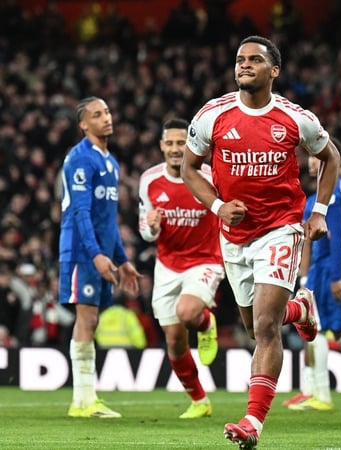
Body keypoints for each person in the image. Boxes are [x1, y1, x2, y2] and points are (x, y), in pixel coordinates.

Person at [181, 35, 341, 449]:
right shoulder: (212, 115)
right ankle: (301, 308)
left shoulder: (295, 118)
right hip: (233, 235)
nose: (245, 65)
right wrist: (217, 206)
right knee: (254, 327)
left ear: (275, 71)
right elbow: (189, 169)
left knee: (267, 327)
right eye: (240, 59)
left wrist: (318, 211)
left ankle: (253, 421)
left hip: (281, 228)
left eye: (255, 60)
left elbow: (331, 156)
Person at [60, 96, 142, 418]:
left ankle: (84, 400)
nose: (106, 118)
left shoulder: (111, 160)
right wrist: (94, 254)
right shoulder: (80, 159)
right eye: (96, 115)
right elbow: (80, 211)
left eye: (107, 111)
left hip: (100, 251)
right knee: (87, 318)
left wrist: (122, 259)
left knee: (90, 319)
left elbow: (108, 220)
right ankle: (83, 401)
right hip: (81, 252)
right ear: (83, 124)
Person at [138, 118, 224, 419]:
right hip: (167, 266)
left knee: (188, 312)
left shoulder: (210, 176)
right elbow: (146, 229)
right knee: (174, 342)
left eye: (181, 143)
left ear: (190, 144)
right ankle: (199, 400)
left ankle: (205, 324)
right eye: (170, 144)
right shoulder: (149, 180)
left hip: (205, 260)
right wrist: (151, 228)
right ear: (162, 146)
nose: (176, 150)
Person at [287, 140, 341, 412]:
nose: (311, 162)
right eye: (310, 156)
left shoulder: (330, 195)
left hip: (329, 269)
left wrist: (332, 275)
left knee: (317, 329)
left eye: (317, 157)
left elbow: (336, 239)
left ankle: (321, 394)